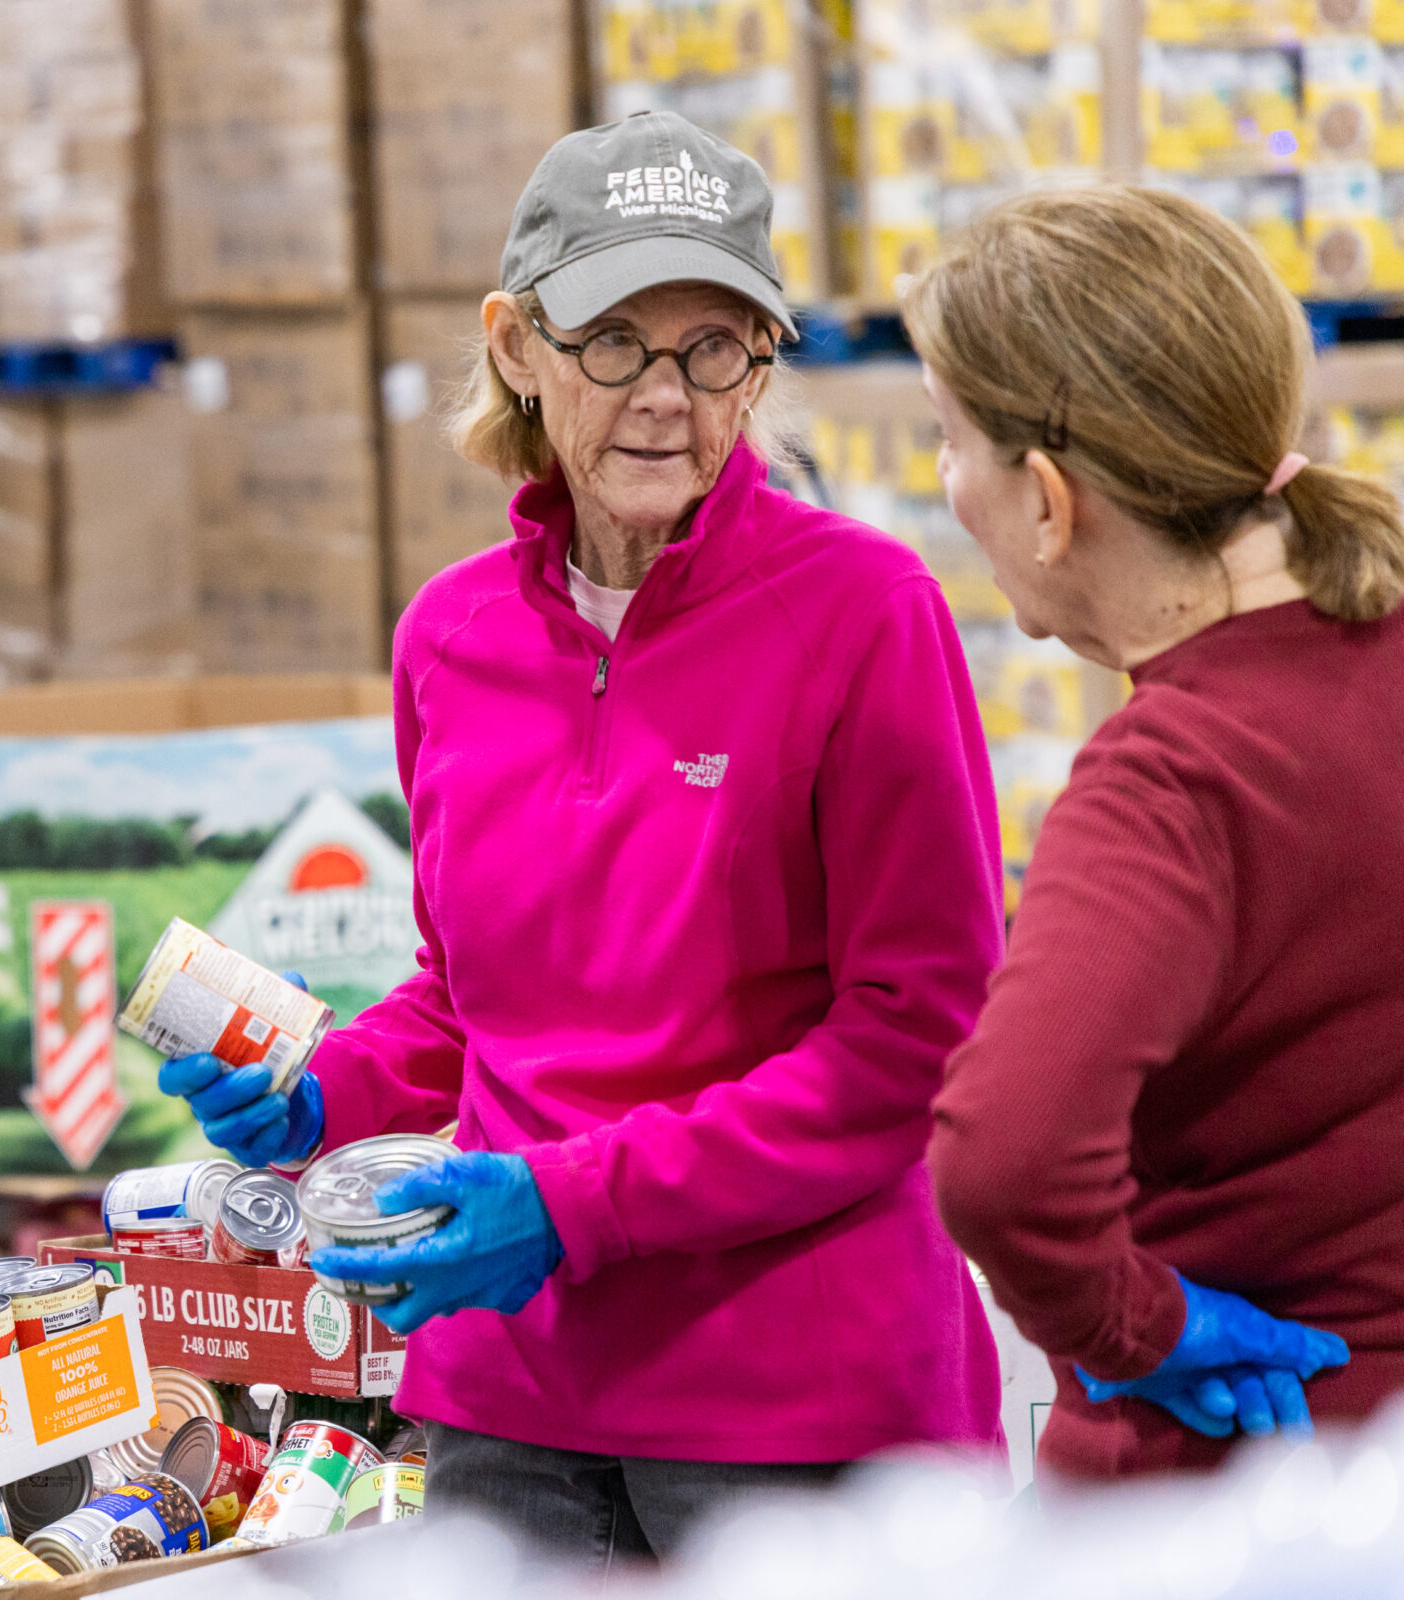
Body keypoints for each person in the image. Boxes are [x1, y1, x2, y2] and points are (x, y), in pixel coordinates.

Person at [160, 110, 1006, 1561]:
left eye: (716, 347)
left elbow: (913, 1040)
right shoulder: (452, 637)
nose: (666, 395)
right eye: (615, 341)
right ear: (516, 345)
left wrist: (570, 1203)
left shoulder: (864, 616)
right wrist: (325, 1098)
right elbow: (469, 993)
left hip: (797, 1402)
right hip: (514, 1390)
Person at [913, 186, 1404, 1480]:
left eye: (948, 441)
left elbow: (1005, 1166)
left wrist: (1140, 1327)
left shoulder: (1173, 782)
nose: (940, 484)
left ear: (1051, 503)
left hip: (1238, 1498)